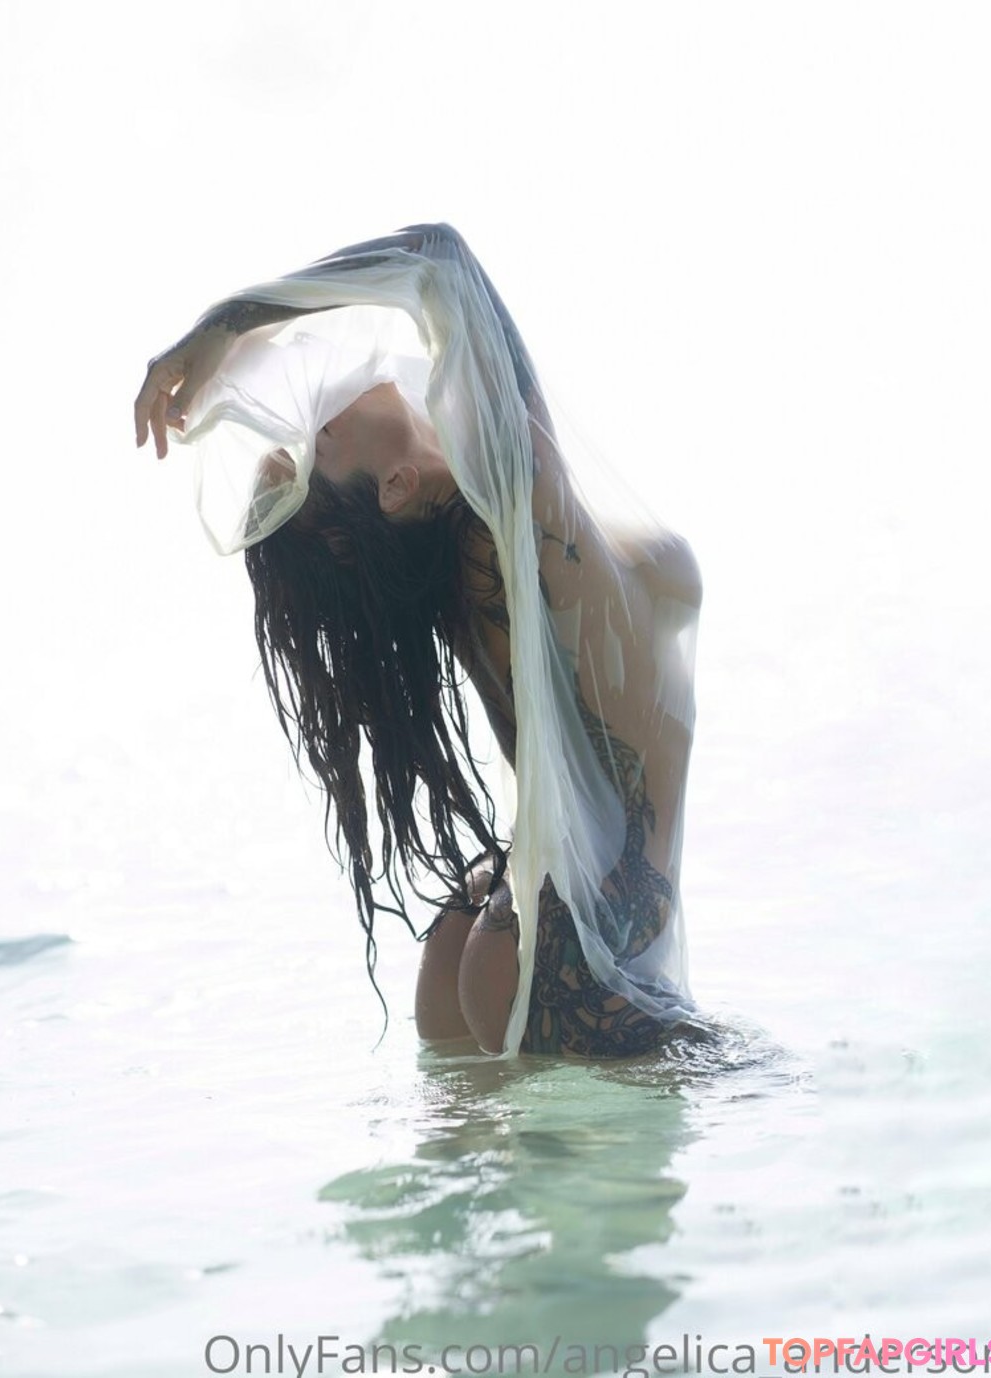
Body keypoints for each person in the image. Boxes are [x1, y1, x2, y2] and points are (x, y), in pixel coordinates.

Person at [134, 224, 703, 1059]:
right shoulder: (519, 521)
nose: (321, 407)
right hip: (584, 938)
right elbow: (441, 256)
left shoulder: (448, 578)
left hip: (486, 920)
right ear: (395, 486)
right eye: (322, 440)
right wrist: (226, 322)